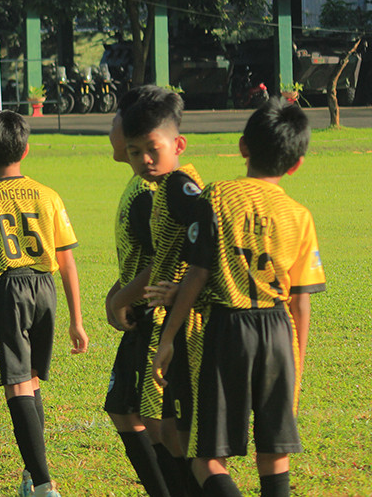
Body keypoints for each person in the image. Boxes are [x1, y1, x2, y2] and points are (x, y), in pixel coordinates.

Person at [152, 99, 325, 497]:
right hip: (278, 331)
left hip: (228, 329)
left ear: (243, 146)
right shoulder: (299, 215)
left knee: (208, 459)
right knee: (274, 453)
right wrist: (294, 363)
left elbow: (198, 273)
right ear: (296, 164)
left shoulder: (215, 197)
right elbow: (301, 301)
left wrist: (167, 339)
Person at [0, 110, 88, 497]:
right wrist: (77, 321)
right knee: (30, 381)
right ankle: (33, 475)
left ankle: (45, 484)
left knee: (17, 386)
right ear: (26, 150)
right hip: (45, 287)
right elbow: (67, 260)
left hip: (8, 290)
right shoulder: (49, 196)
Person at [109, 86, 203, 496]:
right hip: (152, 318)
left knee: (166, 428)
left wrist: (122, 298)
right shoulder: (151, 184)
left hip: (163, 321)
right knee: (147, 421)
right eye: (135, 149)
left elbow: (168, 262)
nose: (143, 158)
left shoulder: (166, 190)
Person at [103, 88, 172, 497]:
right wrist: (118, 289)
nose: (111, 128)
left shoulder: (148, 193)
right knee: (125, 410)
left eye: (117, 120)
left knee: (154, 420)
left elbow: (161, 261)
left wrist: (121, 298)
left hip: (154, 318)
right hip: (140, 313)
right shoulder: (137, 183)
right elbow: (141, 254)